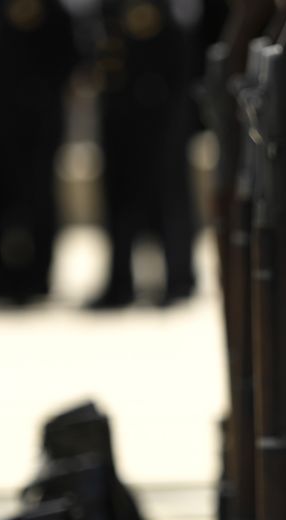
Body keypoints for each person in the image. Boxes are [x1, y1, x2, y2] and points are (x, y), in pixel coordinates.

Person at [0, 0, 80, 306]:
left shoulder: (49, 8)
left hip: (31, 123)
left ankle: (34, 280)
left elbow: (66, 58)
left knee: (33, 202)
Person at [88, 0, 200, 308]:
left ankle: (178, 279)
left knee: (168, 198)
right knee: (119, 199)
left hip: (160, 109)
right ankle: (119, 283)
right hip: (118, 106)